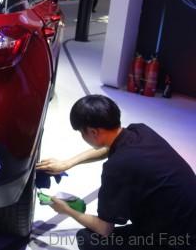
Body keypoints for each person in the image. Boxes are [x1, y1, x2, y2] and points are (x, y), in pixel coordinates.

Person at [38, 95, 196, 250]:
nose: (82, 136)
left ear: (93, 132)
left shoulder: (117, 168)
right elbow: (109, 148)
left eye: (81, 132)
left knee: (89, 239)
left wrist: (67, 210)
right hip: (186, 222)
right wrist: (67, 164)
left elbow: (104, 229)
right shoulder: (139, 131)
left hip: (178, 241)